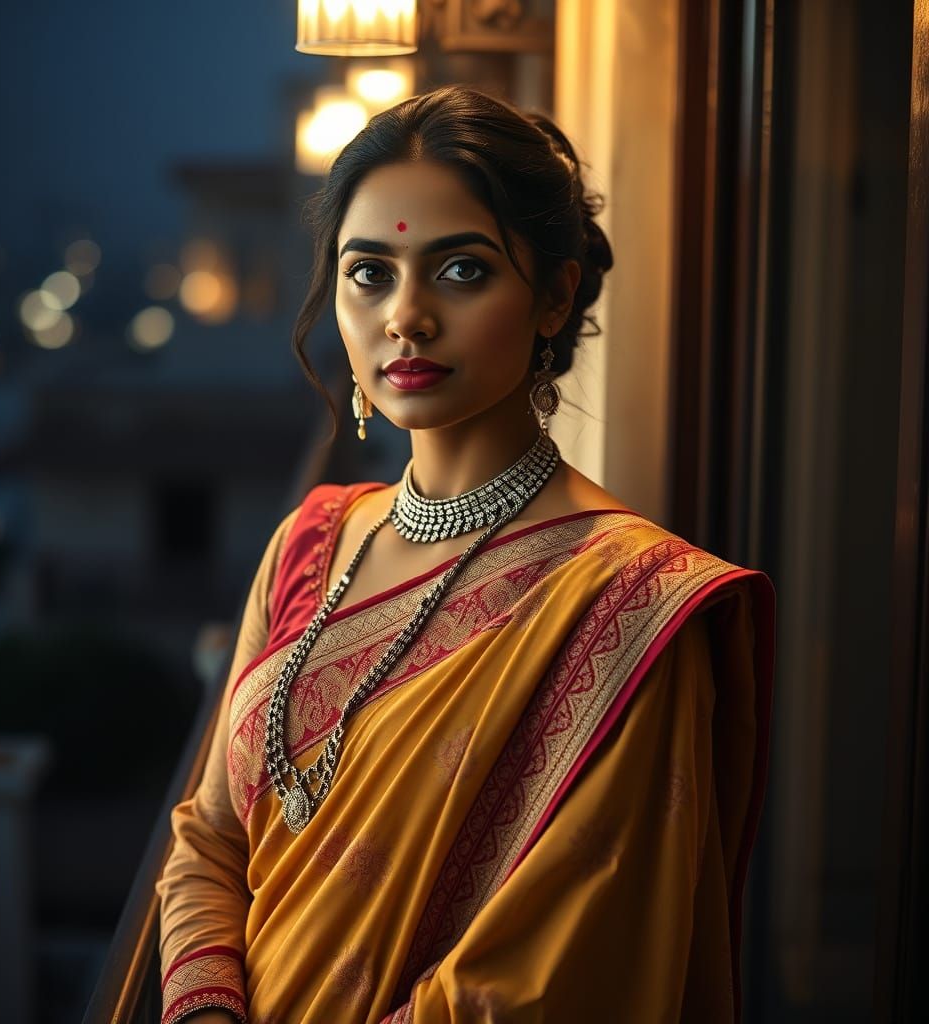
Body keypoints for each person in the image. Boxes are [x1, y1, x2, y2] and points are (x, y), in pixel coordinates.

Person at [156, 85, 775, 1024]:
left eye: (460, 271)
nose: (406, 317)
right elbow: (209, 837)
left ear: (555, 295)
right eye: (370, 272)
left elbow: (554, 982)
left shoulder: (629, 609)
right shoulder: (310, 543)